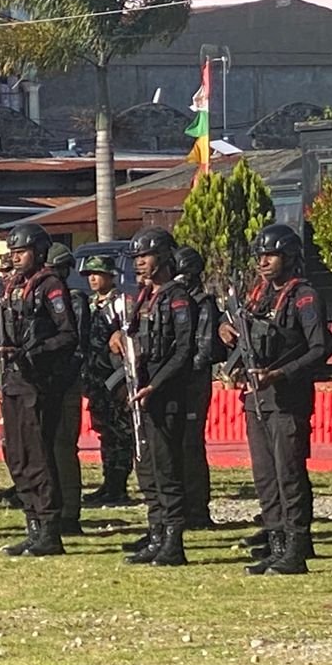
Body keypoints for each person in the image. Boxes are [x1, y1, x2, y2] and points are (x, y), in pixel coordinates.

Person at [220, 224, 331, 577]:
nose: (263, 262)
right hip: (257, 398)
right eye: (260, 256)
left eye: (271, 255)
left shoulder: (304, 296)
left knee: (289, 475)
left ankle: (296, 547)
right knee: (266, 477)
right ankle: (276, 541)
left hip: (287, 398)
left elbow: (320, 348)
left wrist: (281, 373)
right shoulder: (259, 295)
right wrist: (227, 332)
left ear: (289, 256)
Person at [0, 225, 79, 557]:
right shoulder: (13, 286)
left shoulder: (50, 285)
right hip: (13, 380)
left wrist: (33, 353)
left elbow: (68, 335)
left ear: (39, 252)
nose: (16, 257)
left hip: (38, 382)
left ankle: (49, 530)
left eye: (22, 251)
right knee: (17, 456)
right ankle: (32, 524)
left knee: (39, 456)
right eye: (13, 252)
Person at [116, 228, 195, 567]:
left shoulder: (178, 297)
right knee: (147, 469)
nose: (139, 263)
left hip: (166, 395)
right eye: (136, 258)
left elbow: (183, 350)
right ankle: (156, 534)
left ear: (162, 257)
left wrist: (156, 385)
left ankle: (173, 542)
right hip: (143, 393)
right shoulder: (146, 297)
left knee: (167, 469)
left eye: (145, 257)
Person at [80, 254, 134, 506]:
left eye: (98, 273)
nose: (92, 278)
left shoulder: (122, 303)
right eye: (89, 274)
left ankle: (119, 485)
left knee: (120, 432)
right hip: (96, 378)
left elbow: (131, 333)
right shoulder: (90, 304)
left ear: (110, 277)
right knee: (105, 431)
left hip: (117, 378)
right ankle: (108, 482)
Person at [174, 246, 221, 529]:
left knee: (191, 445)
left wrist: (180, 370)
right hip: (175, 381)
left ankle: (197, 509)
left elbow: (204, 350)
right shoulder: (172, 301)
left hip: (193, 383)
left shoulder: (203, 304)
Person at [46, 243, 88, 534]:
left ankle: (70, 512)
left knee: (63, 448)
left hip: (66, 382)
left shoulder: (74, 301)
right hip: (47, 383)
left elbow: (78, 345)